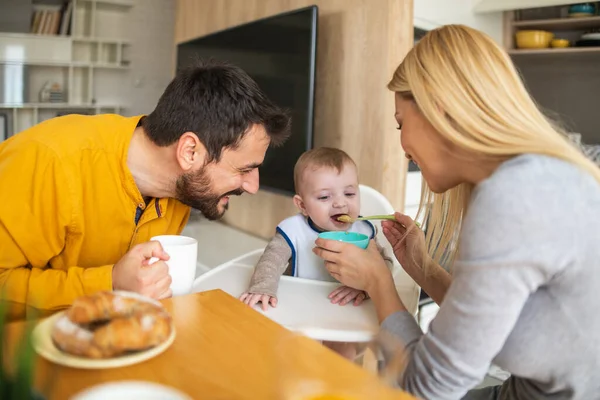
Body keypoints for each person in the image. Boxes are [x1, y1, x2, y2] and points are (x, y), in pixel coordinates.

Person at [313, 25, 600, 400]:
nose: (402, 145)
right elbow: (480, 326)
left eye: (401, 123)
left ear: (438, 110)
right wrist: (422, 267)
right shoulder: (539, 178)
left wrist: (379, 282)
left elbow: (429, 388)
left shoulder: (515, 199)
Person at [0, 59, 291, 320]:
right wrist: (110, 282)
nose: (253, 186)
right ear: (190, 151)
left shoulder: (180, 187)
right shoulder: (49, 161)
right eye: (244, 169)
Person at [239, 147, 393, 359]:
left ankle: (338, 388)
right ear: (302, 205)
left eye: (349, 193)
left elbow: (384, 264)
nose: (340, 203)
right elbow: (270, 261)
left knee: (343, 352)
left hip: (344, 310)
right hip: (302, 310)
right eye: (324, 197)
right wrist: (263, 287)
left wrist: (365, 287)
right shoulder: (293, 231)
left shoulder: (363, 231)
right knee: (297, 352)